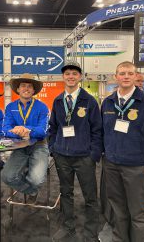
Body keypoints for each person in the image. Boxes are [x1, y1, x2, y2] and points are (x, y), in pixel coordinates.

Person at [101, 61, 144, 242]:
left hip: (136, 168)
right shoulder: (108, 103)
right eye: (122, 73)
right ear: (115, 76)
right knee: (118, 212)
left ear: (135, 77)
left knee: (138, 214)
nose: (126, 76)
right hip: (112, 166)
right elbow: (104, 132)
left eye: (129, 73)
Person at [49, 61, 102, 242]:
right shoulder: (57, 101)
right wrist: (53, 150)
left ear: (80, 77)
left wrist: (93, 155)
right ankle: (68, 227)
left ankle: (91, 231)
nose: (71, 76)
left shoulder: (90, 101)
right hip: (62, 156)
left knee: (90, 196)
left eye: (74, 73)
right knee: (66, 193)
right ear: (63, 77)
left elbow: (97, 130)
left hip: (84, 158)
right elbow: (53, 128)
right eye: (67, 74)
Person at [1, 73, 49, 204]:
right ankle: (31, 191)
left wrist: (26, 130)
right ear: (18, 89)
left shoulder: (42, 107)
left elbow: (43, 131)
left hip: (39, 145)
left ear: (33, 90)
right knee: (6, 177)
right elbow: (5, 129)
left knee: (37, 179)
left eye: (29, 86)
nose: (26, 88)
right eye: (23, 86)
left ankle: (31, 179)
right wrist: (17, 132)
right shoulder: (10, 107)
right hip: (20, 146)